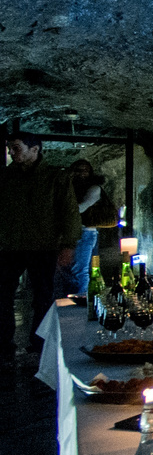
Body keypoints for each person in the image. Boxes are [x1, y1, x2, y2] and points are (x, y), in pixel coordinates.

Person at [0, 132, 81, 360]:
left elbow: (68, 211)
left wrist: (68, 244)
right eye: (9, 147)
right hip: (10, 246)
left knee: (43, 296)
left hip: (42, 245)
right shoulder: (6, 177)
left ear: (34, 149)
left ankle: (40, 345)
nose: (11, 152)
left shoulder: (55, 177)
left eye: (16, 147)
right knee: (3, 294)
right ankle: (4, 344)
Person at [53, 159, 106, 296]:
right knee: (70, 269)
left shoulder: (93, 188)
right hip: (75, 230)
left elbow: (81, 207)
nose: (82, 174)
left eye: (85, 170)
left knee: (79, 269)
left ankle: (82, 300)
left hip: (85, 231)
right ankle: (76, 298)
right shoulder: (68, 187)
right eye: (78, 170)